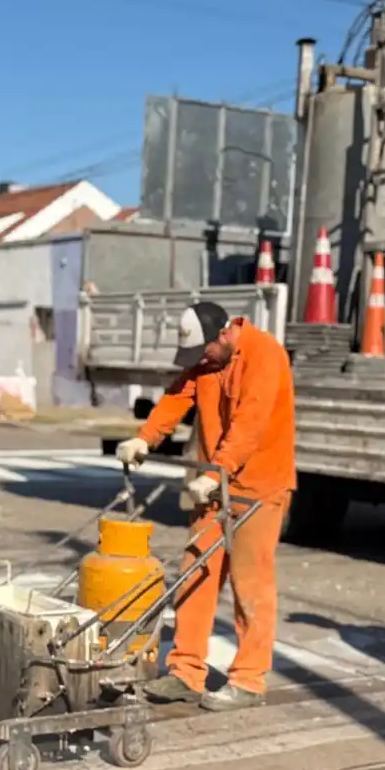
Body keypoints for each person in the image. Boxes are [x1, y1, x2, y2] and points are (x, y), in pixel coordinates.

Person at [116, 300, 295, 711]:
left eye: (204, 353)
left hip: (258, 487)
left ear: (224, 335)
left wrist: (217, 474)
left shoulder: (266, 355)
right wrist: (146, 437)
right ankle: (186, 672)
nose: (200, 362)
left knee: (249, 584)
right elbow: (178, 397)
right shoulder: (206, 361)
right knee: (195, 571)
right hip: (217, 483)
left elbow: (250, 423)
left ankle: (249, 681)